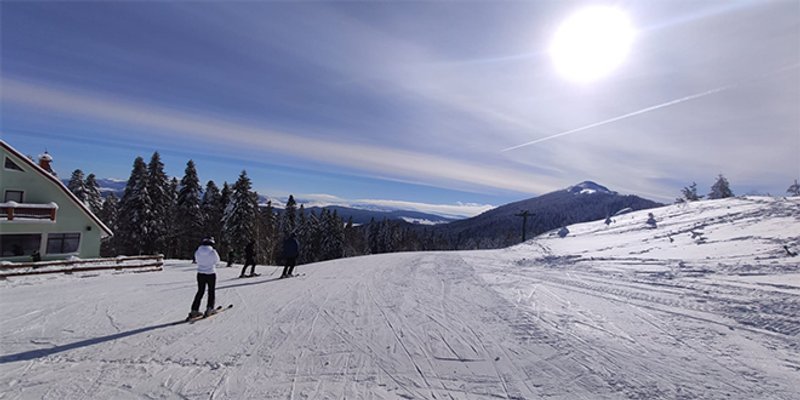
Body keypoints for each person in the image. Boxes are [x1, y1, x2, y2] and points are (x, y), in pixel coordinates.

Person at [189, 237, 220, 319]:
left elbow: (196, 260)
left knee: (200, 291)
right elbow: (217, 261)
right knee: (211, 291)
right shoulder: (213, 252)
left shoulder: (198, 251)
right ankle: (210, 308)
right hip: (210, 273)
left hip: (200, 273)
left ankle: (194, 310)